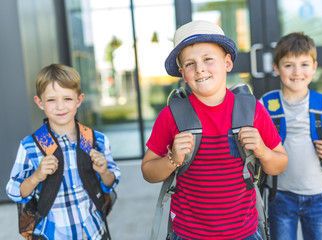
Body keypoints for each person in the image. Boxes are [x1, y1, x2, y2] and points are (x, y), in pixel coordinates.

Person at [141, 20, 288, 240]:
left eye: (208, 59)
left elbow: (280, 163)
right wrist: (172, 159)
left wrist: (262, 151)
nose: (199, 68)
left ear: (227, 63)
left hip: (244, 233)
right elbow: (148, 171)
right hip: (189, 234)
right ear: (182, 73)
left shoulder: (252, 110)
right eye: (190, 64)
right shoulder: (172, 115)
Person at [6, 64, 121, 240]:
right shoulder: (31, 146)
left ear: (79, 100)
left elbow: (110, 183)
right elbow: (13, 190)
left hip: (94, 232)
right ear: (40, 102)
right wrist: (36, 176)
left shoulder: (96, 140)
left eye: (67, 98)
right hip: (52, 234)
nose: (60, 107)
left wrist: (104, 171)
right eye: (51, 100)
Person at [260, 32, 322, 240]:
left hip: (319, 197)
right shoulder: (265, 104)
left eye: (304, 64)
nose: (297, 71)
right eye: (288, 65)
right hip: (279, 195)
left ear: (314, 67)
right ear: (276, 68)